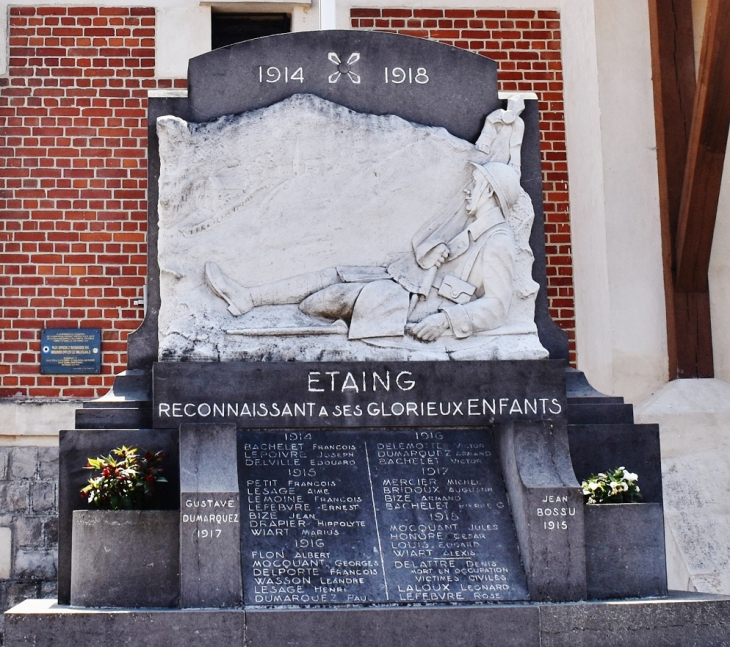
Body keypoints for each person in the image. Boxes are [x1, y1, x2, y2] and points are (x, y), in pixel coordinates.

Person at [205, 161, 520, 343]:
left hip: (421, 307)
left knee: (324, 300)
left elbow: (497, 305)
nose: (468, 189)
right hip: (410, 284)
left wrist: (446, 321)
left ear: (490, 193)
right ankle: (249, 296)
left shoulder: (498, 240)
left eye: (475, 184)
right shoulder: (471, 228)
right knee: (334, 273)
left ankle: (330, 330)